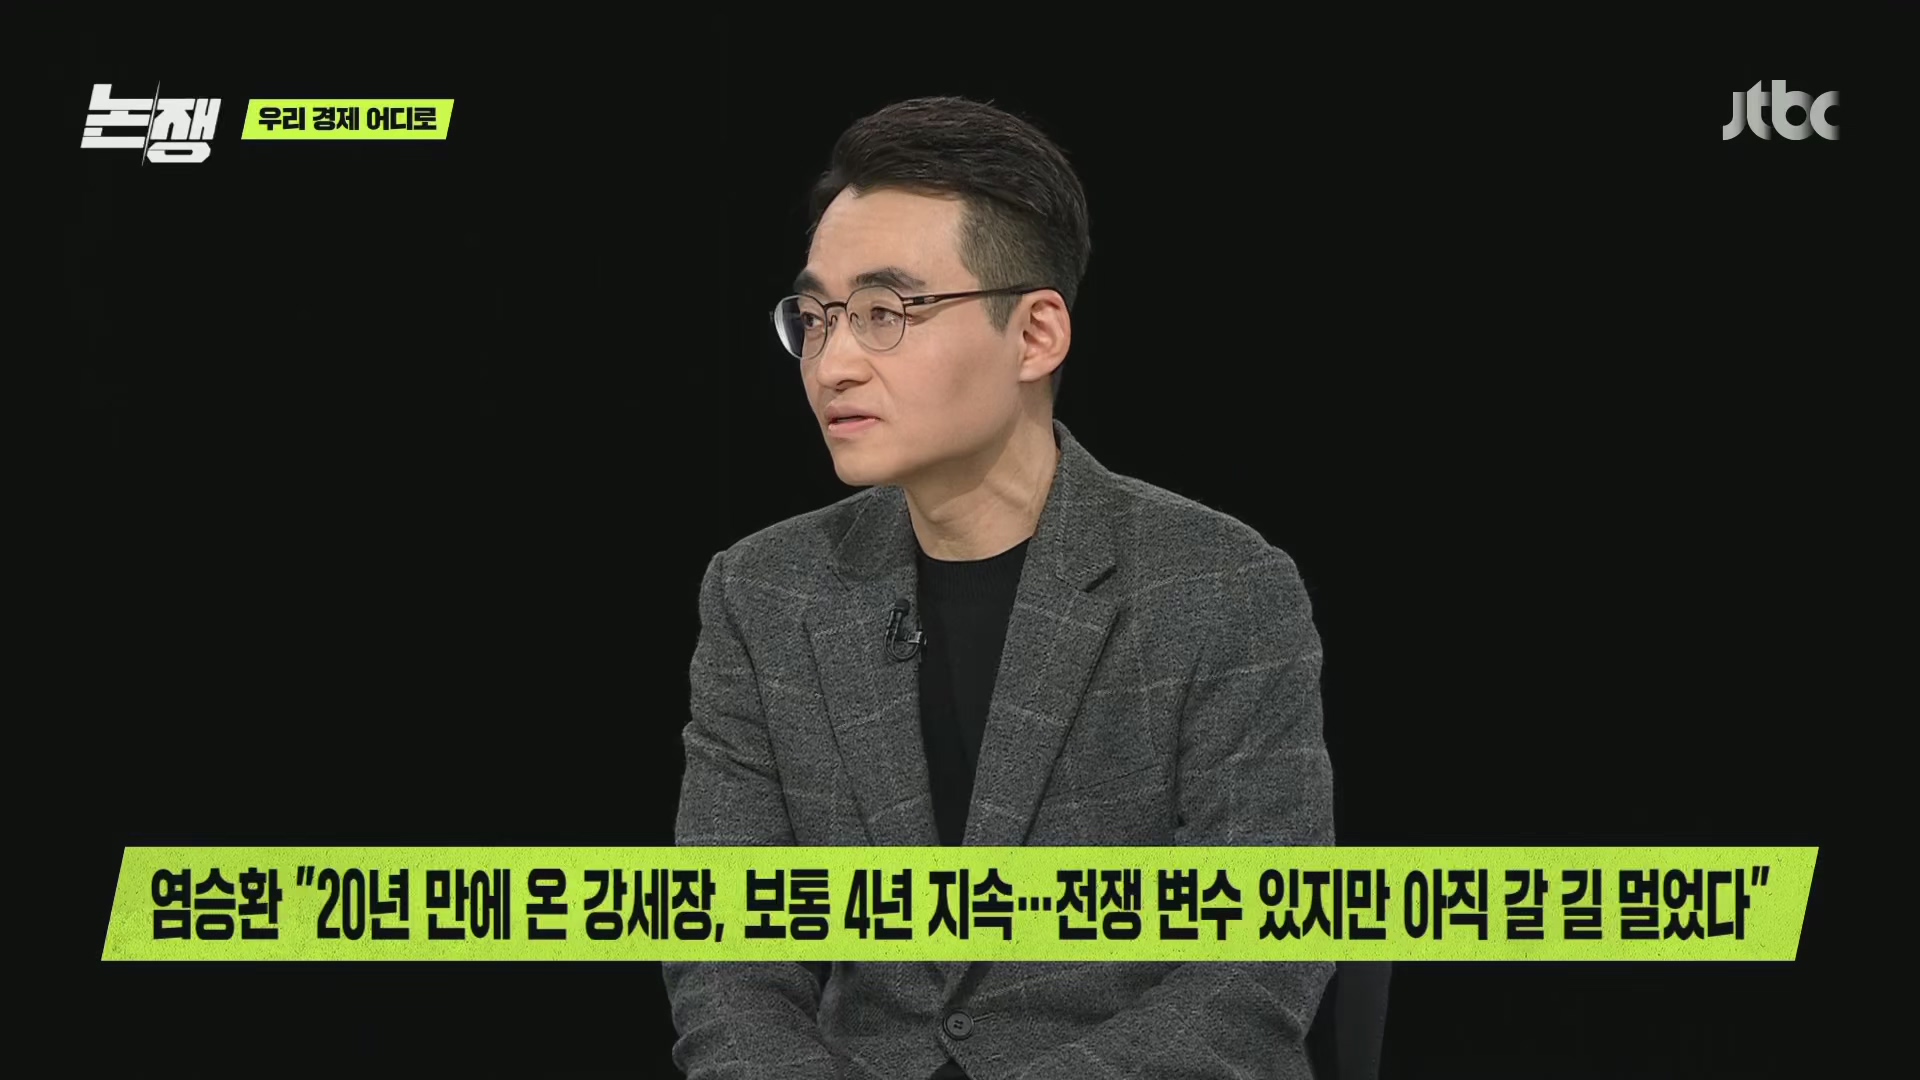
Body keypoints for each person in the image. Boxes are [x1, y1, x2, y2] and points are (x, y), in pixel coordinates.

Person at [664, 95, 1334, 1080]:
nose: (832, 363)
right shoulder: (762, 593)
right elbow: (724, 955)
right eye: (815, 318)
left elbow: (1255, 967)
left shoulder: (1222, 585)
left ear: (1036, 335)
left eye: (885, 314)